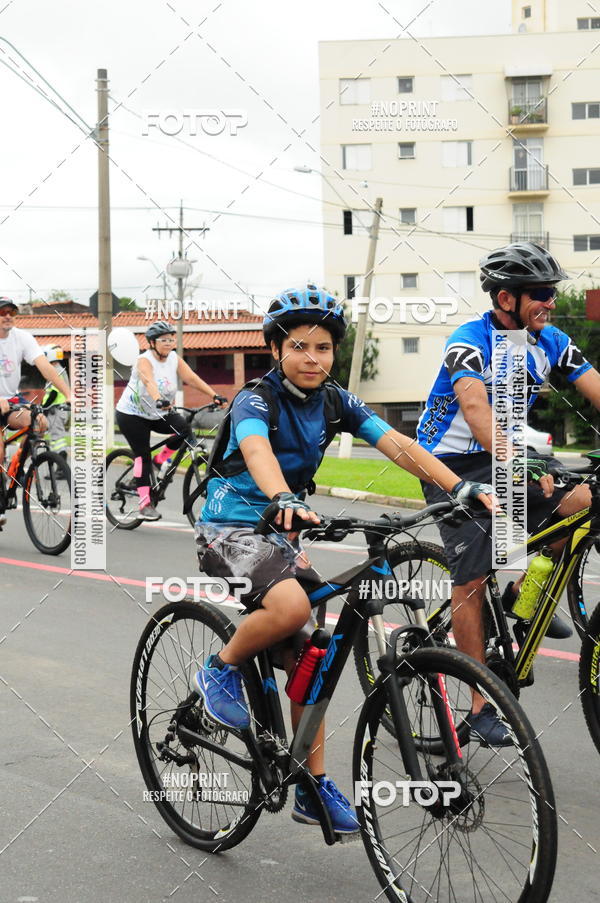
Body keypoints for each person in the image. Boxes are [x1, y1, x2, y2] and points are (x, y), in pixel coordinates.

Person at [192, 283, 497, 835]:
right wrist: (282, 496)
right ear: (276, 350)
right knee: (290, 609)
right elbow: (257, 448)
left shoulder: (336, 400)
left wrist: (457, 487)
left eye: (324, 348)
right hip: (230, 529)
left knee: (312, 654)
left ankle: (311, 786)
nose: (312, 358)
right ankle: (220, 669)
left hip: (282, 533)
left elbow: (397, 443)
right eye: (299, 347)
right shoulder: (255, 399)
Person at [417, 241, 600, 745]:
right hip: (449, 464)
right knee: (473, 574)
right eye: (540, 293)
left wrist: (518, 457)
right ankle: (479, 704)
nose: (551, 302)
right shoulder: (468, 341)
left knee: (584, 504)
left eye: (552, 292)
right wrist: (516, 457)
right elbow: (476, 412)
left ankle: (522, 596)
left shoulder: (551, 340)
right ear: (505, 298)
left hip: (507, 453)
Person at [115, 321, 226, 521]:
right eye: (163, 340)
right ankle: (144, 504)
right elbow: (148, 380)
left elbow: (191, 378)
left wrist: (214, 395)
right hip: (132, 415)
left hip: (158, 413)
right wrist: (158, 399)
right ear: (152, 343)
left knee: (184, 428)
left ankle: (159, 461)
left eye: (171, 339)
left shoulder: (174, 358)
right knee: (142, 456)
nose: (168, 343)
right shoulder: (143, 360)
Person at [0, 299, 72, 520]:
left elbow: (45, 367)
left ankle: (18, 466)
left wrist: (69, 394)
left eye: (12, 312)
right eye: (2, 312)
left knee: (39, 422)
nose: (8, 316)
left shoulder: (22, 338)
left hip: (11, 400)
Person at [41, 344, 70, 459]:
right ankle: (58, 460)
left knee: (57, 435)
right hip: (59, 408)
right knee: (56, 434)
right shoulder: (60, 369)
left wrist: (43, 407)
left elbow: (53, 393)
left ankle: (61, 458)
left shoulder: (55, 371)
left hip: (55, 408)